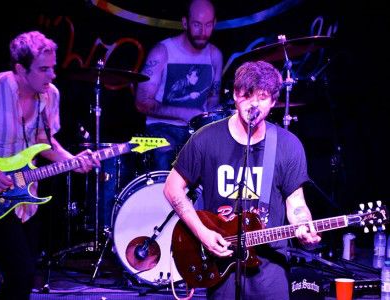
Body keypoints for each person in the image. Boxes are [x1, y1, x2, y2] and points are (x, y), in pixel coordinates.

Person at [163, 61, 321, 299]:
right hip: (222, 261)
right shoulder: (206, 139)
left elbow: (296, 202)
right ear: (235, 95)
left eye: (263, 96)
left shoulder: (288, 145)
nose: (254, 104)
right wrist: (202, 233)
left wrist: (304, 226)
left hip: (269, 262)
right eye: (247, 95)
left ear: (273, 101)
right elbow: (172, 188)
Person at [0, 31, 99, 300]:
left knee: (20, 278)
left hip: (24, 198)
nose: (52, 75)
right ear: (20, 69)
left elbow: (45, 142)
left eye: (53, 67)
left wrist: (73, 161)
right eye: (43, 69)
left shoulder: (50, 95)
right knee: (20, 273)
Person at [135, 0, 223, 171]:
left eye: (208, 25)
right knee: (165, 154)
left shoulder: (215, 55)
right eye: (197, 25)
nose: (203, 32)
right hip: (160, 128)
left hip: (197, 130)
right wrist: (184, 113)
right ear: (185, 23)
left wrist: (211, 118)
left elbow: (213, 99)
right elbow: (141, 102)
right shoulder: (162, 52)